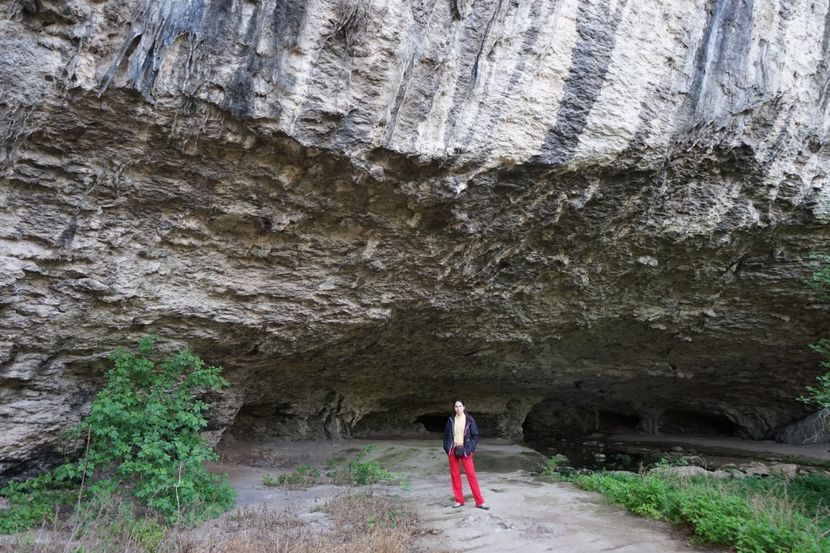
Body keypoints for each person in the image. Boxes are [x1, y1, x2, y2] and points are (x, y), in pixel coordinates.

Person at [442, 399, 490, 509]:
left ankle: (479, 502)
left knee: (471, 475)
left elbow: (475, 436)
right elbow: (446, 436)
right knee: (455, 476)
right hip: (453, 450)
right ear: (454, 408)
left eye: (460, 406)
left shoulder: (469, 419)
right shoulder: (451, 420)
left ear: (464, 407)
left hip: (465, 450)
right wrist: (447, 447)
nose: (458, 408)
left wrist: (470, 449)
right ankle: (459, 500)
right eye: (456, 406)